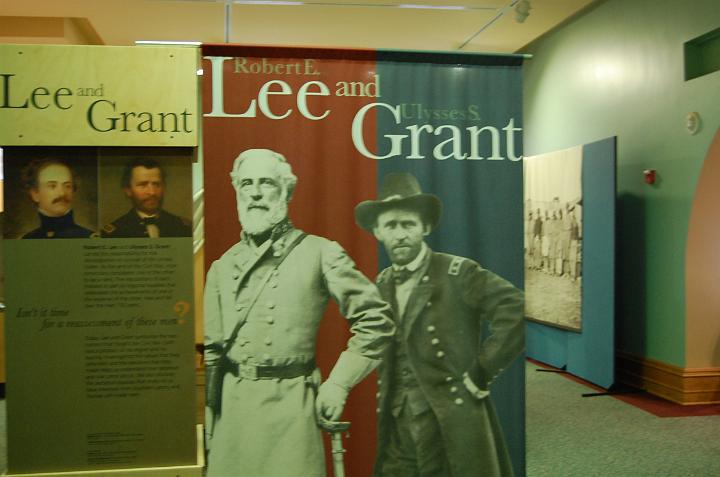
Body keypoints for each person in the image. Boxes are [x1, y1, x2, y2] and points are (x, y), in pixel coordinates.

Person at [204, 149, 395, 477]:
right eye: (247, 184)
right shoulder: (221, 267)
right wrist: (210, 415)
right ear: (237, 192)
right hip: (233, 416)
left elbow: (376, 322)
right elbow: (212, 353)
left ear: (287, 192)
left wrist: (339, 384)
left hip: (291, 412)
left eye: (266, 182)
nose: (255, 192)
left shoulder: (320, 253)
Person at [354, 172, 525, 477]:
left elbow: (516, 307)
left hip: (449, 423)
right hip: (397, 424)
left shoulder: (457, 273)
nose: (400, 234)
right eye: (391, 225)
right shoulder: (381, 284)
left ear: (425, 227)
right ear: (378, 231)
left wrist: (483, 369)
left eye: (408, 224)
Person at [102, 158, 191, 238]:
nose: (152, 192)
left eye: (156, 184)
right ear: (128, 190)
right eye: (143, 185)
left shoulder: (183, 227)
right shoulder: (114, 233)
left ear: (164, 187)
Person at [21, 158, 94, 239]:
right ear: (35, 194)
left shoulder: (89, 237)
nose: (62, 193)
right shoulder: (26, 239)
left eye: (67, 186)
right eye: (52, 186)